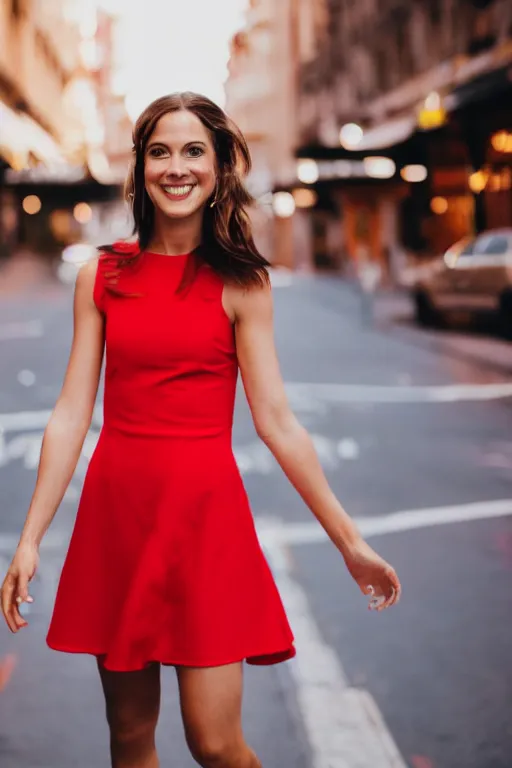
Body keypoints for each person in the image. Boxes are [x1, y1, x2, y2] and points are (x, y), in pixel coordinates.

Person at [1, 93, 401, 768]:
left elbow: (276, 421)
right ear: (140, 168)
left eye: (194, 152)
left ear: (218, 170)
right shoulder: (102, 274)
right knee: (129, 740)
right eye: (160, 151)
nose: (176, 167)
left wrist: (350, 542)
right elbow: (72, 411)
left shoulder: (242, 283)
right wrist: (31, 537)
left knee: (216, 744)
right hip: (117, 516)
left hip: (205, 520)